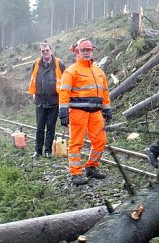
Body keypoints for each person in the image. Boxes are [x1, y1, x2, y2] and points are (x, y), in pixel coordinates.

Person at [58, 38, 111, 185]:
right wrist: (63, 110)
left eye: (89, 50)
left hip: (95, 112)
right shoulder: (71, 71)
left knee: (101, 140)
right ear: (77, 52)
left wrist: (107, 110)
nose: (86, 53)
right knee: (76, 143)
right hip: (77, 112)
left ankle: (92, 167)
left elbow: (105, 93)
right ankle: (76, 173)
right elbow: (64, 92)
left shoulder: (99, 72)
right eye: (84, 50)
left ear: (92, 51)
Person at [28, 42, 66, 158]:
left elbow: (65, 81)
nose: (45, 53)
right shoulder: (36, 63)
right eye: (43, 51)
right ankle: (38, 151)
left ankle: (48, 151)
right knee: (39, 127)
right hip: (40, 100)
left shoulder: (58, 64)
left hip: (54, 100)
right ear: (41, 52)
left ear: (51, 50)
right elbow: (33, 79)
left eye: (47, 50)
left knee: (51, 127)